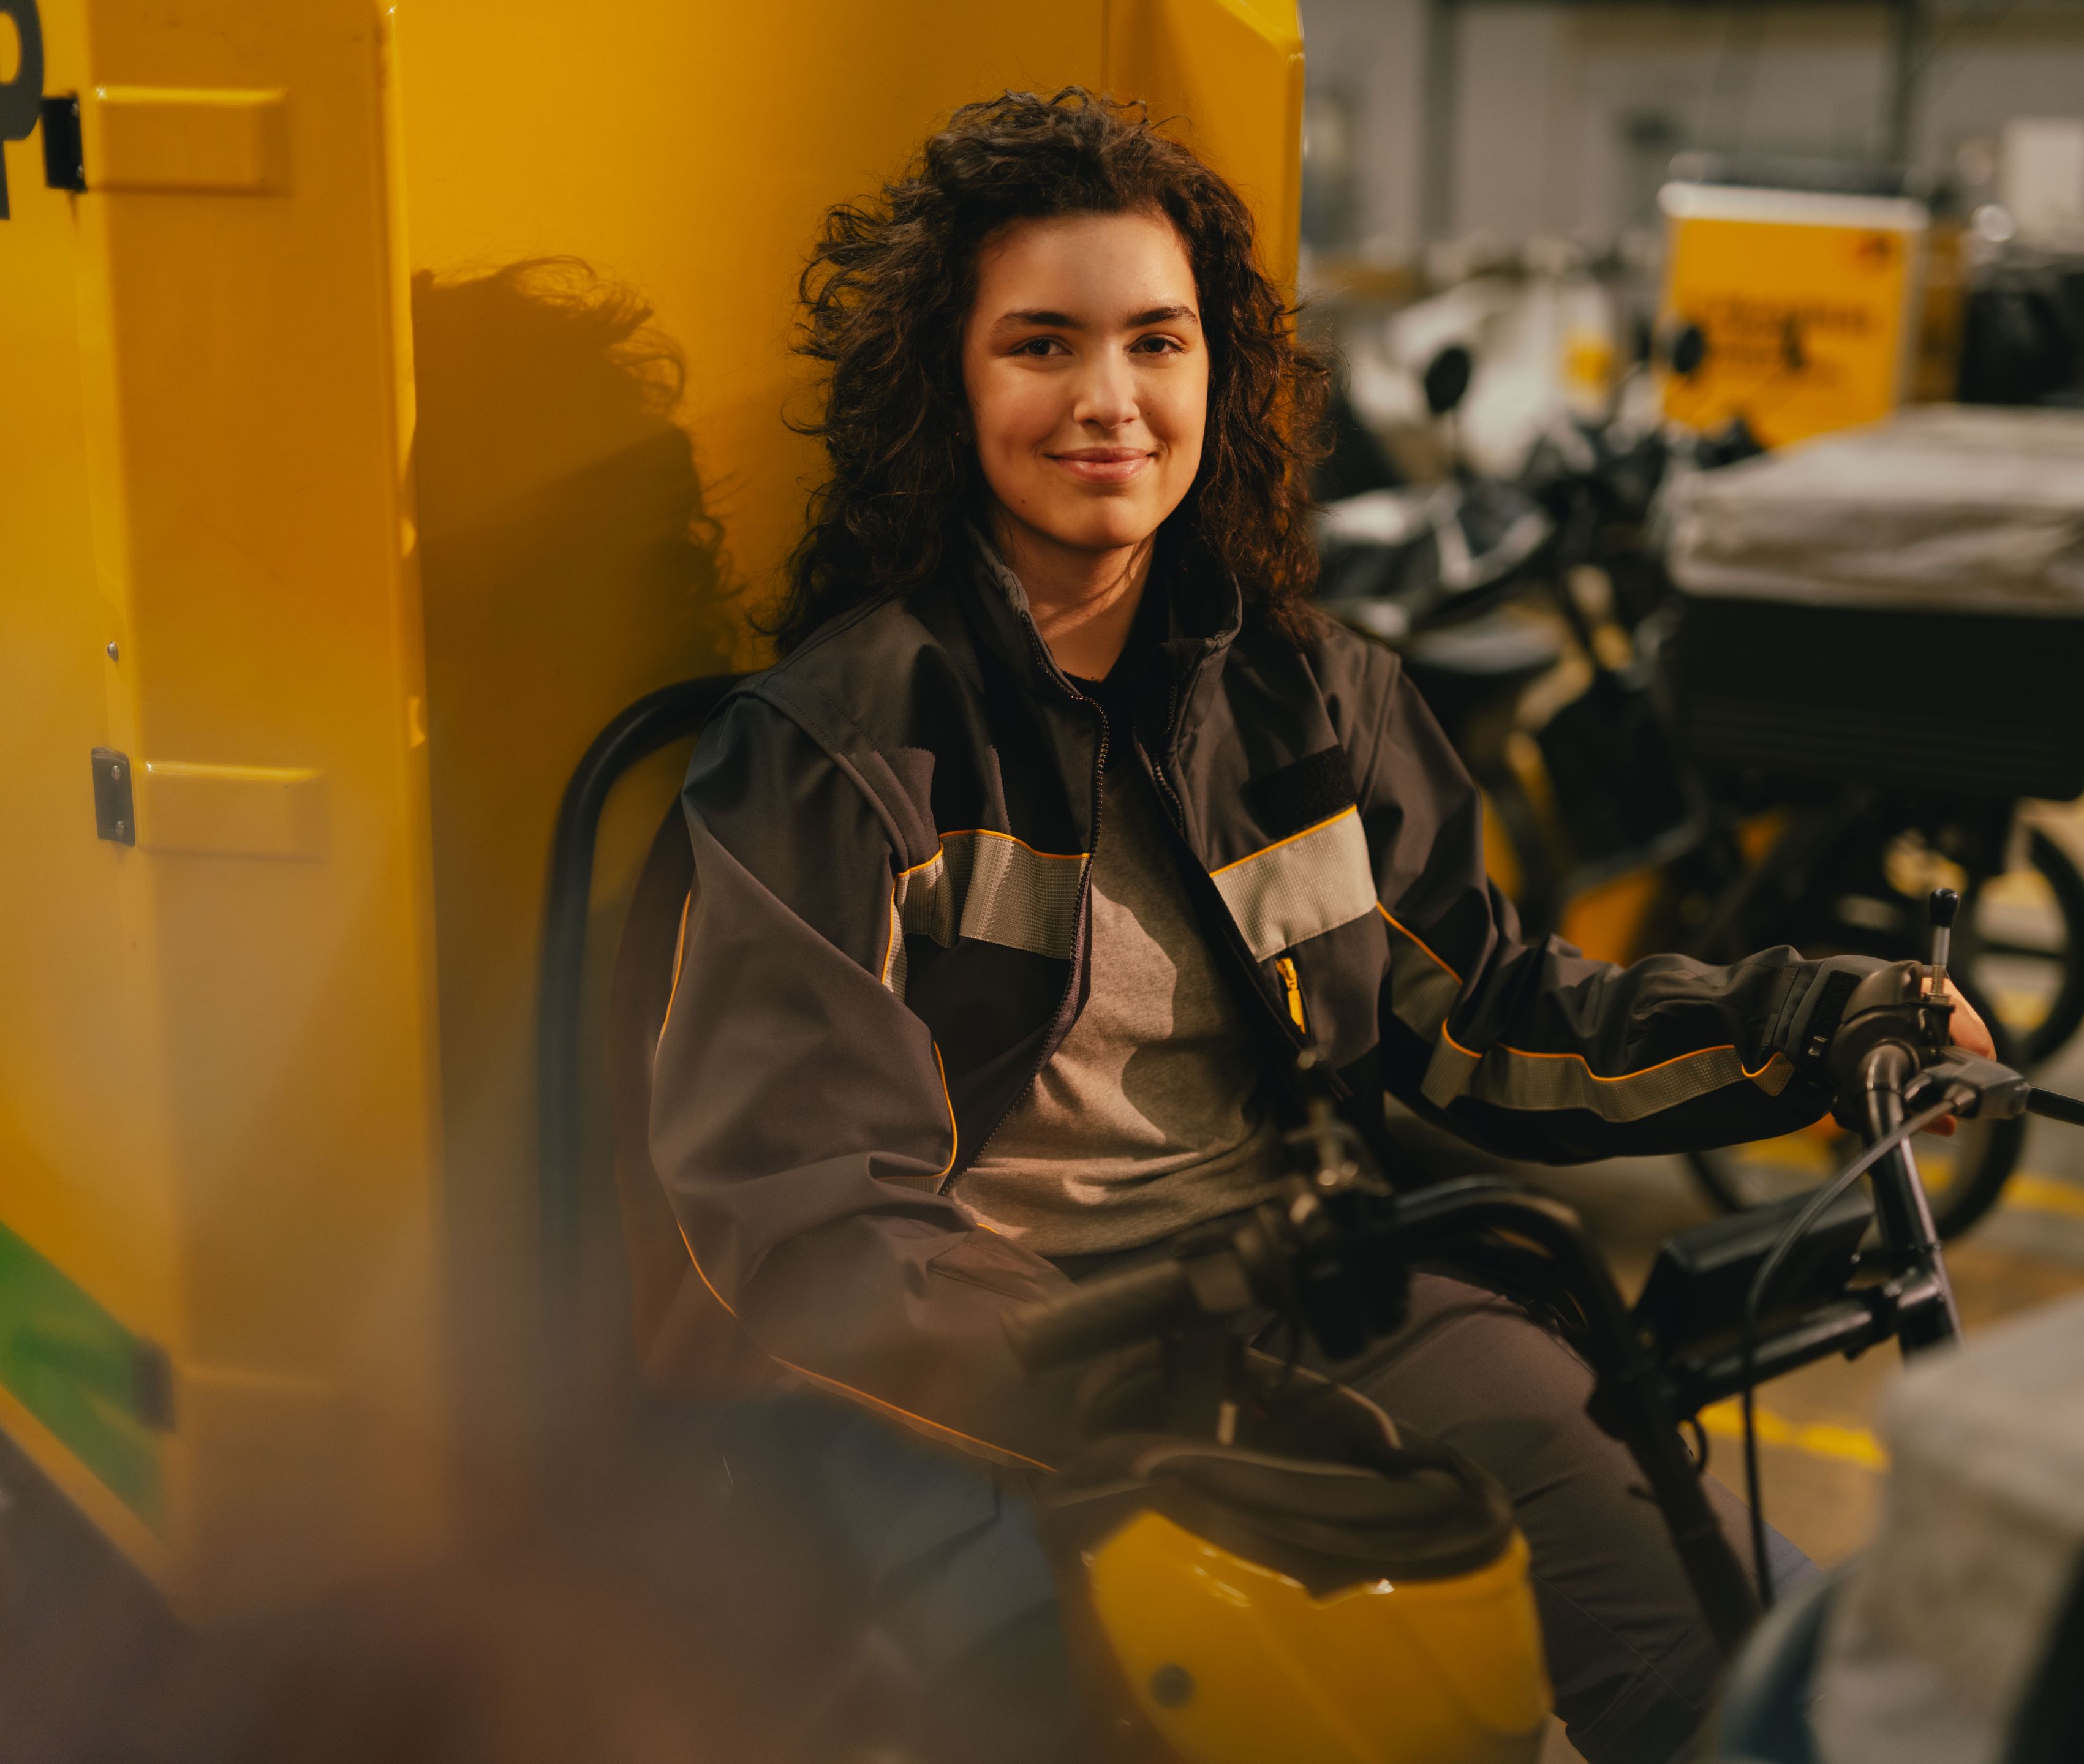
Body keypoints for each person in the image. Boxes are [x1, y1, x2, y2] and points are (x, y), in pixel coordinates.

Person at [634, 88, 1994, 1764]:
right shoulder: (837, 749)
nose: (1111, 402)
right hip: (981, 1383)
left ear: (1222, 375)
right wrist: (1117, 1367)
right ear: (948, 385)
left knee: (1720, 1644)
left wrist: (1808, 1021)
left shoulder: (1313, 705)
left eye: (1158, 342)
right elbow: (804, 1218)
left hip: (1291, 1292)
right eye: (1041, 347)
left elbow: (1485, 1010)